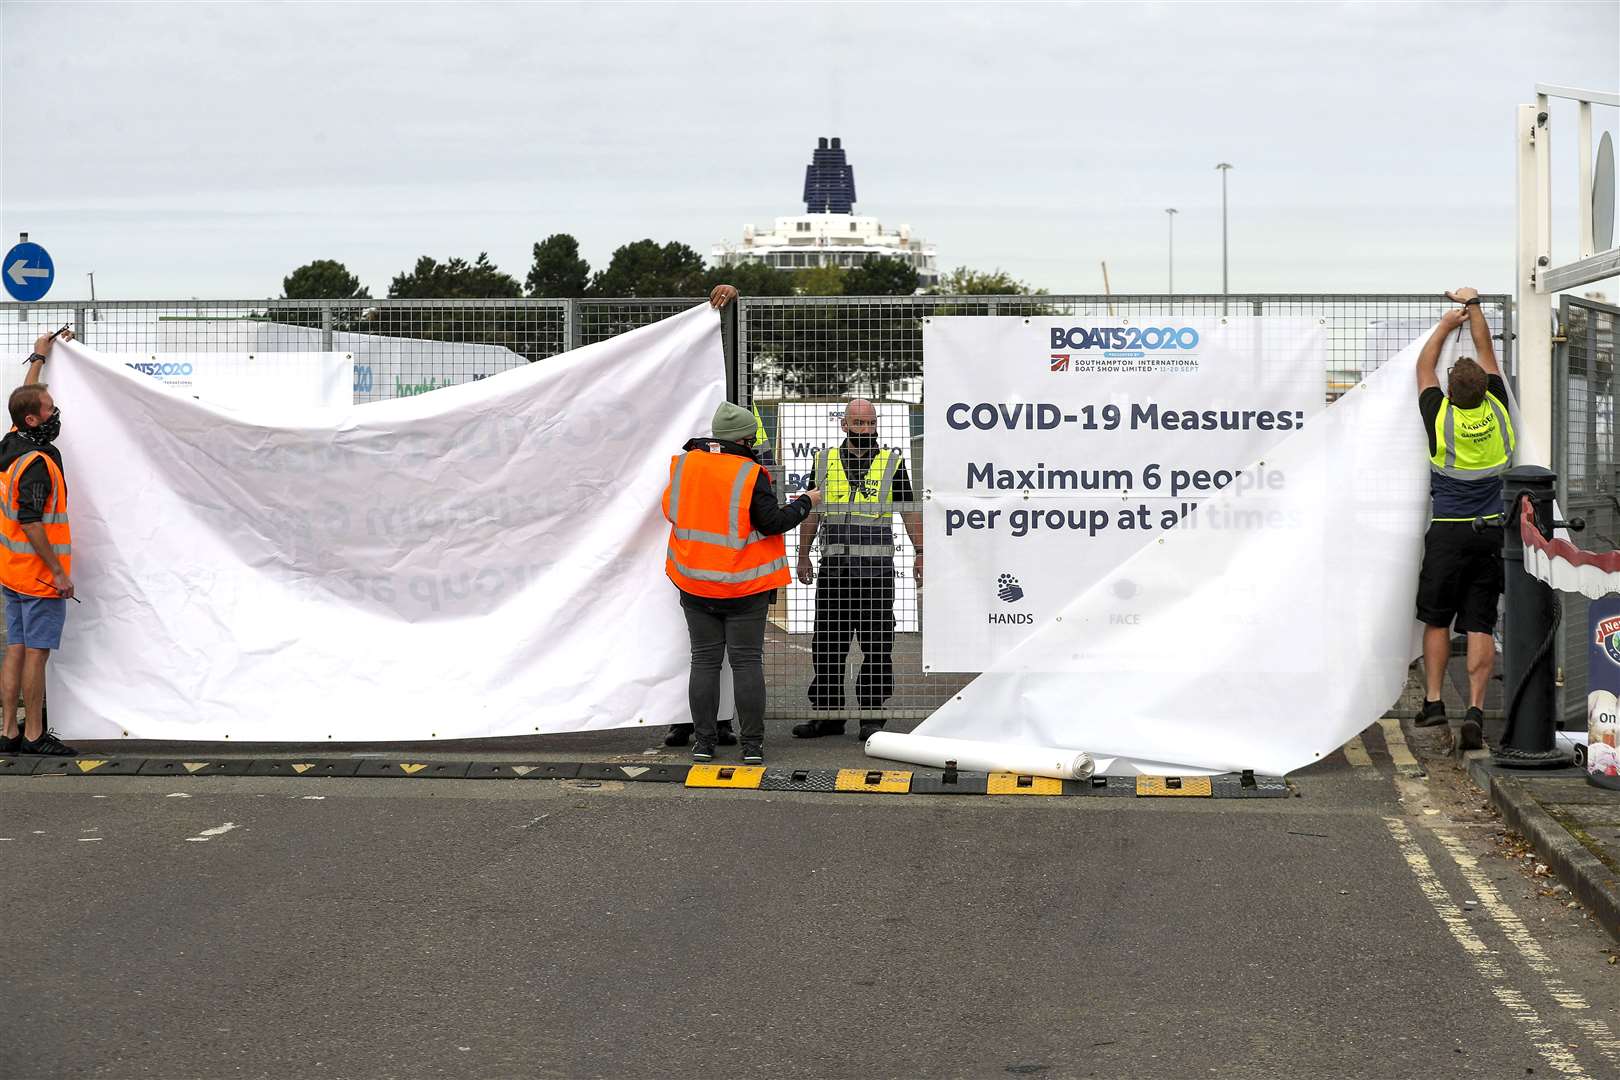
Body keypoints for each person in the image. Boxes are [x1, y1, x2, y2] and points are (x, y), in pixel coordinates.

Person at [662, 286, 821, 765]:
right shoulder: (752, 473)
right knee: (747, 664)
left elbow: (671, 511)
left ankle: (704, 743)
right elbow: (771, 523)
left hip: (693, 581)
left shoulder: (685, 466)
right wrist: (806, 502)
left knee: (704, 663)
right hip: (745, 585)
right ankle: (752, 747)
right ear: (746, 439)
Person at [1413, 288, 1513, 752]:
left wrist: (1446, 323)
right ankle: (1474, 707)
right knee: (1480, 623)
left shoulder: (1439, 417)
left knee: (1437, 619)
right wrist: (1473, 308)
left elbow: (1423, 368)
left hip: (1449, 533)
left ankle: (1434, 702)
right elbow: (1487, 347)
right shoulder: (1498, 408)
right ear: (1485, 388)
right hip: (1491, 531)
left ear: (1450, 392)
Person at [793, 398, 922, 742]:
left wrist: (921, 551)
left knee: (877, 646)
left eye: (870, 423)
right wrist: (803, 555)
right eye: (858, 423)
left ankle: (871, 716)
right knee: (827, 645)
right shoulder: (823, 462)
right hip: (834, 571)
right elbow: (812, 514)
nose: (865, 429)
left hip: (876, 574)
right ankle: (829, 716)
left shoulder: (892, 463)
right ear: (844, 425)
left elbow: (909, 510)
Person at [0, 328, 78, 757]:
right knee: (36, 654)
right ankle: (33, 737)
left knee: (15, 649)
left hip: (11, 572)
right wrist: (59, 572)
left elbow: (25, 397)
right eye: (48, 408)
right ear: (34, 419)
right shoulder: (38, 463)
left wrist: (39, 356)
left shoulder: (12, 443)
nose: (53, 411)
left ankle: (9, 730)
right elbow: (32, 523)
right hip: (38, 576)